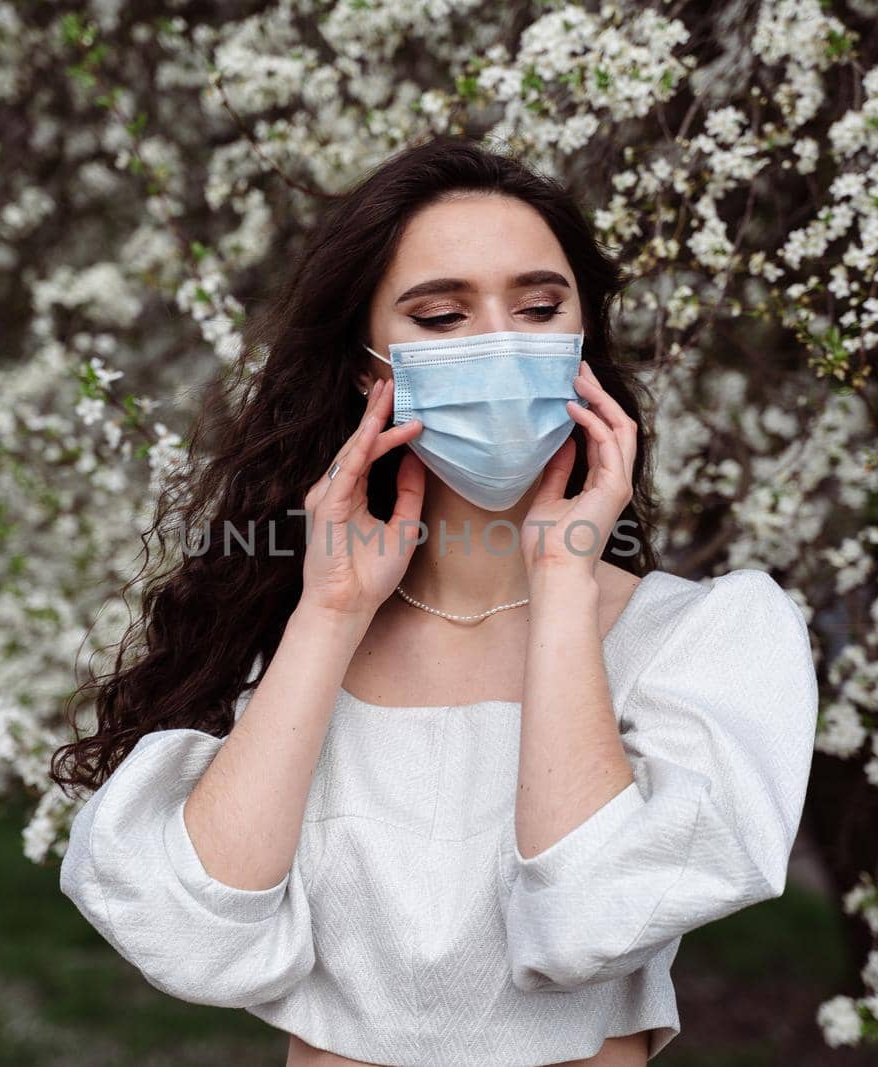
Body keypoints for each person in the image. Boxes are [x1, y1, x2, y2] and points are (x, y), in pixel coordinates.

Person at [50, 135, 819, 1067]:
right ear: (372, 368)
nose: (500, 344)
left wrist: (566, 582)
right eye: (443, 316)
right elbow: (199, 934)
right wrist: (328, 617)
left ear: (583, 342)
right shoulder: (288, 640)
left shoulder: (697, 641)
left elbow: (587, 914)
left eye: (539, 306)